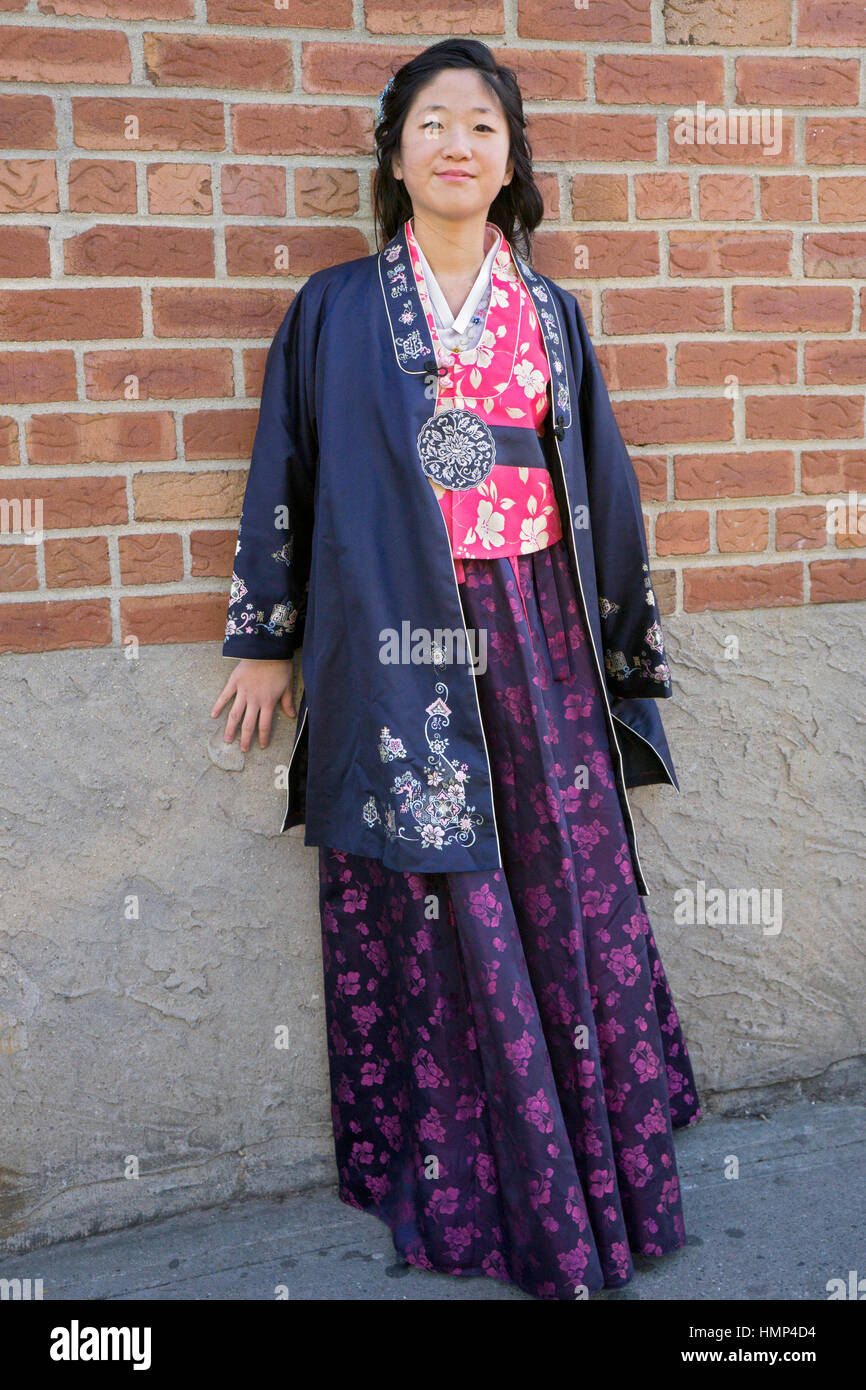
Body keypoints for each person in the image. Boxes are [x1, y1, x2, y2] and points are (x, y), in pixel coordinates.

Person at [211, 38, 702, 1301]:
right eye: (431, 123)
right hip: (394, 644)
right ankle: (467, 1182)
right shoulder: (329, 308)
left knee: (562, 885)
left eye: (482, 127)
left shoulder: (548, 313)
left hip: (534, 635)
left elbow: (604, 485)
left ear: (508, 165)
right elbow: (287, 474)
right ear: (392, 156)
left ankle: (584, 1169)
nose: (456, 145)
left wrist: (623, 657)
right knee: (440, 898)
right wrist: (265, 639)